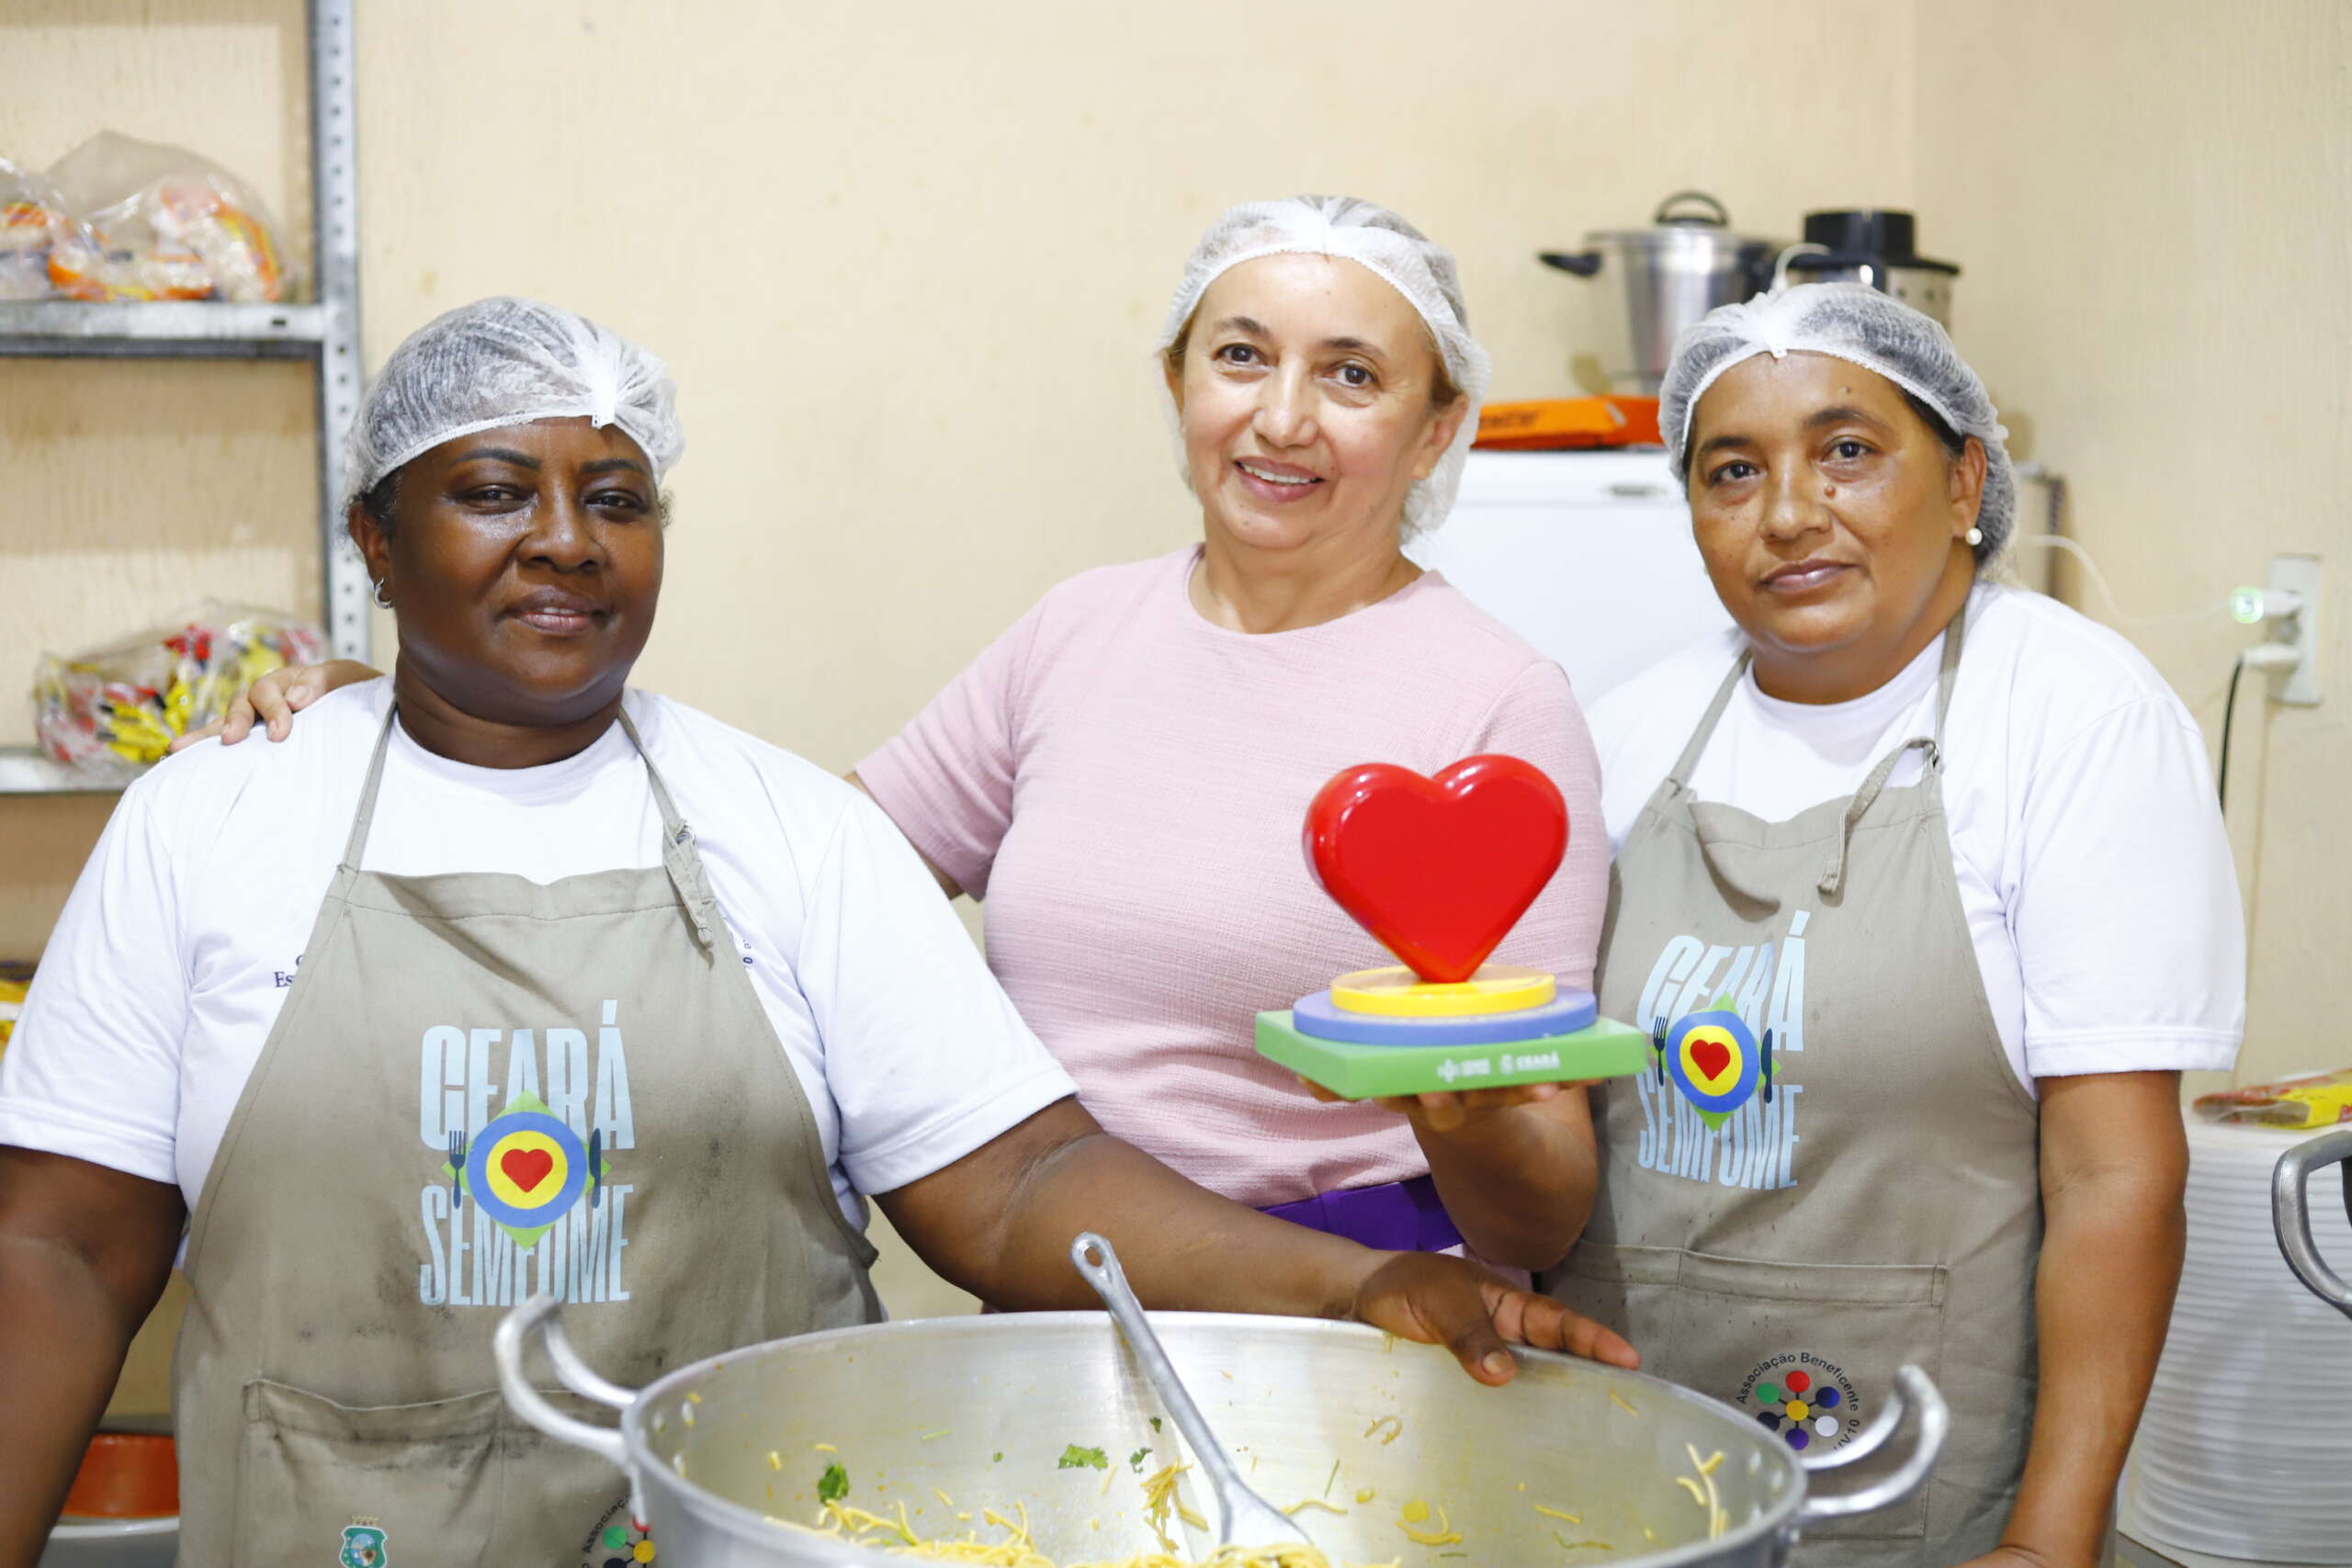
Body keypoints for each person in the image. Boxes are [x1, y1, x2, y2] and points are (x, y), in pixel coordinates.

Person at [0, 299, 1634, 1568]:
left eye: (616, 498)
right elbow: (61, 1252)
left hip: (735, 1531)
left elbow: (1018, 1187)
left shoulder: (789, 828)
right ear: (375, 537)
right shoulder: (213, 825)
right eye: (494, 492)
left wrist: (1357, 1287)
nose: (565, 538)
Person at [191, 197, 1615, 1275]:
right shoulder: (1079, 633)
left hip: (1379, 1311)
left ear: (1438, 429)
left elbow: (1545, 1206)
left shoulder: (1496, 704)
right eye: (1241, 357)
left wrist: (1461, 1113)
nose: (1281, 417)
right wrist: (422, 717)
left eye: (1353, 376)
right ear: (1180, 380)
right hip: (1077, 1295)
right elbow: (794, 873)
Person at [1549, 283, 2244, 1568]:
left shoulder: (2073, 717)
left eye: (1848, 451)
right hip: (1618, 1462)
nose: (1788, 513)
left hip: (1925, 1492)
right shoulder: (1625, 733)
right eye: (1732, 470)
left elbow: (2114, 1179)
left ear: (1966, 475)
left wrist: (2048, 1545)